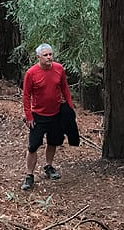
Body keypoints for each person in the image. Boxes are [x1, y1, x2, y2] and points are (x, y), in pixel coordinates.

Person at [20, 43, 75, 191]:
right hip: (38, 116)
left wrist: (70, 107)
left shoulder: (59, 69)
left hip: (56, 114)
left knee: (53, 142)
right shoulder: (31, 73)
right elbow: (26, 96)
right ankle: (29, 175)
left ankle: (49, 166)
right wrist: (28, 116)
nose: (49, 57)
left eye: (50, 54)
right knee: (33, 146)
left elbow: (64, 88)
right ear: (39, 57)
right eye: (46, 55)